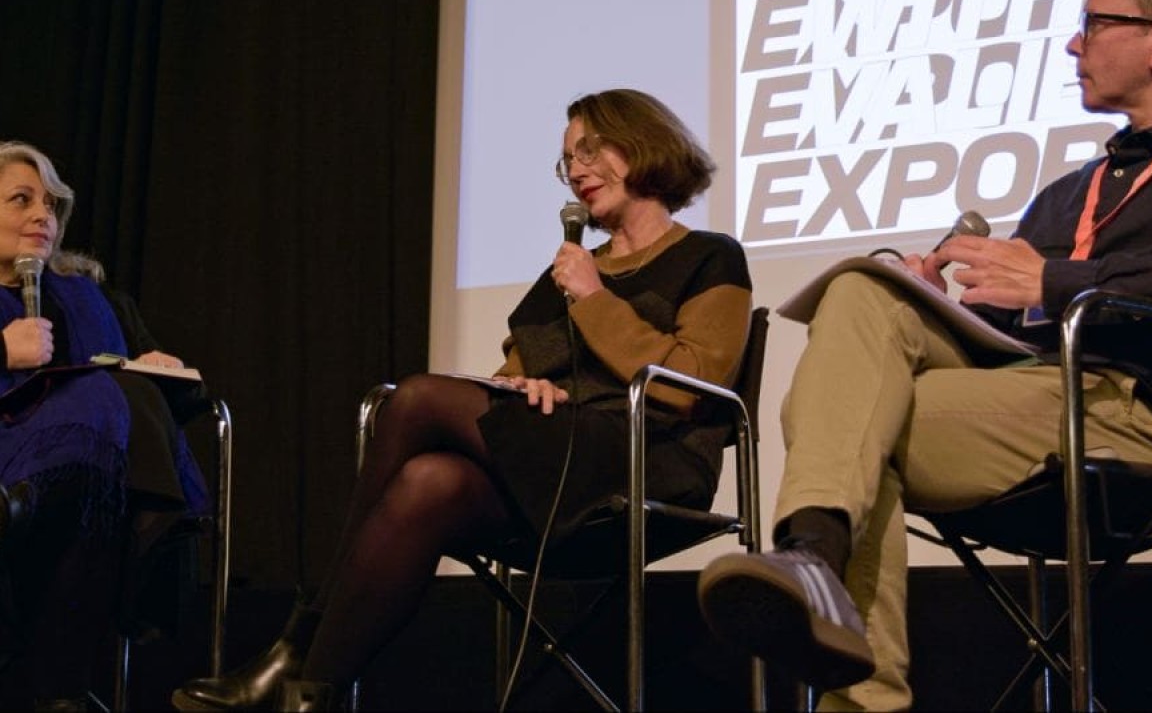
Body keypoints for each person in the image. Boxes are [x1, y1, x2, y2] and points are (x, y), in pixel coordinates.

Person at [697, 0, 1152, 711]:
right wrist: (947, 293)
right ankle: (814, 554)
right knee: (867, 291)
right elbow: (1012, 319)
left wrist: (1056, 277)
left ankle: (829, 608)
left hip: (1144, 409)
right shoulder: (1071, 193)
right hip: (1029, 395)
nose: (1073, 42)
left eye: (1094, 23)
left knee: (854, 424)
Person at [171, 87, 754, 711]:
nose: (577, 171)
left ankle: (302, 632)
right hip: (559, 463)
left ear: (642, 142)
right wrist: (517, 386)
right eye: (567, 160)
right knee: (429, 481)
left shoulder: (708, 257)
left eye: (589, 149)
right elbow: (508, 376)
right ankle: (310, 693)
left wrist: (594, 298)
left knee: (417, 398)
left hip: (648, 464)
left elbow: (693, 384)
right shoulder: (564, 274)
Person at [0, 140, 209, 711]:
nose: (43, 215)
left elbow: (189, 405)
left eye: (50, 204)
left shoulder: (96, 300)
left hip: (98, 478)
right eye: (22, 200)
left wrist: (169, 374)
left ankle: (56, 694)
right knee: (103, 396)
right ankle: (155, 527)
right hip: (13, 455)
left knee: (120, 394)